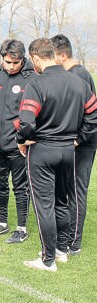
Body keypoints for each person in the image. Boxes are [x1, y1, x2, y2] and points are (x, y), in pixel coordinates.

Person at [20, 38, 97, 272]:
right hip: (68, 151)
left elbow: (26, 120)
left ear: (35, 58)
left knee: (45, 206)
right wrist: (77, 139)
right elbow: (93, 117)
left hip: (43, 151)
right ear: (54, 54)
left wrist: (22, 140)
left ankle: (48, 259)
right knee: (63, 202)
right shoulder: (79, 83)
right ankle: (62, 251)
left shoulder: (36, 83)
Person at [0, 39, 36, 243]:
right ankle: (2, 224)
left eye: (16, 62)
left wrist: (26, 137)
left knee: (21, 186)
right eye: (8, 62)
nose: (12, 66)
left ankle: (21, 228)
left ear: (23, 59)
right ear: (2, 58)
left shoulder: (32, 78)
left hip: (20, 144)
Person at [51, 34, 96, 256]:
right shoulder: (71, 74)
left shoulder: (78, 75)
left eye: (53, 56)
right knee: (67, 189)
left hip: (83, 145)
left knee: (77, 191)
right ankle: (66, 236)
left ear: (62, 55)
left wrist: (78, 139)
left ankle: (74, 243)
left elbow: (89, 116)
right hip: (72, 143)